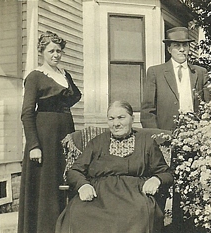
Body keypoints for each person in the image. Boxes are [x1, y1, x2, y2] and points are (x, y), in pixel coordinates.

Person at [56, 101, 174, 233]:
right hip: (98, 197)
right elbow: (74, 170)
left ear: (132, 119)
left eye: (121, 117)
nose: (116, 123)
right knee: (78, 213)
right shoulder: (97, 142)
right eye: (111, 119)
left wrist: (156, 180)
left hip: (135, 196)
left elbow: (166, 173)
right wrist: (83, 185)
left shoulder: (146, 142)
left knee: (138, 215)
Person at [18, 31, 81, 233]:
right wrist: (34, 145)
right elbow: (27, 113)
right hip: (45, 137)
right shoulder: (35, 77)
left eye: (59, 51)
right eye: (51, 51)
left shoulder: (64, 75)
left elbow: (73, 97)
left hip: (65, 134)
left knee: (64, 181)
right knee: (47, 186)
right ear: (42, 52)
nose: (56, 55)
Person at [141, 26, 211, 131]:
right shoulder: (156, 72)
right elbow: (147, 111)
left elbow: (209, 107)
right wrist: (157, 137)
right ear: (169, 49)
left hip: (196, 135)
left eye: (185, 45)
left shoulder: (200, 72)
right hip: (166, 135)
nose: (182, 49)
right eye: (177, 45)